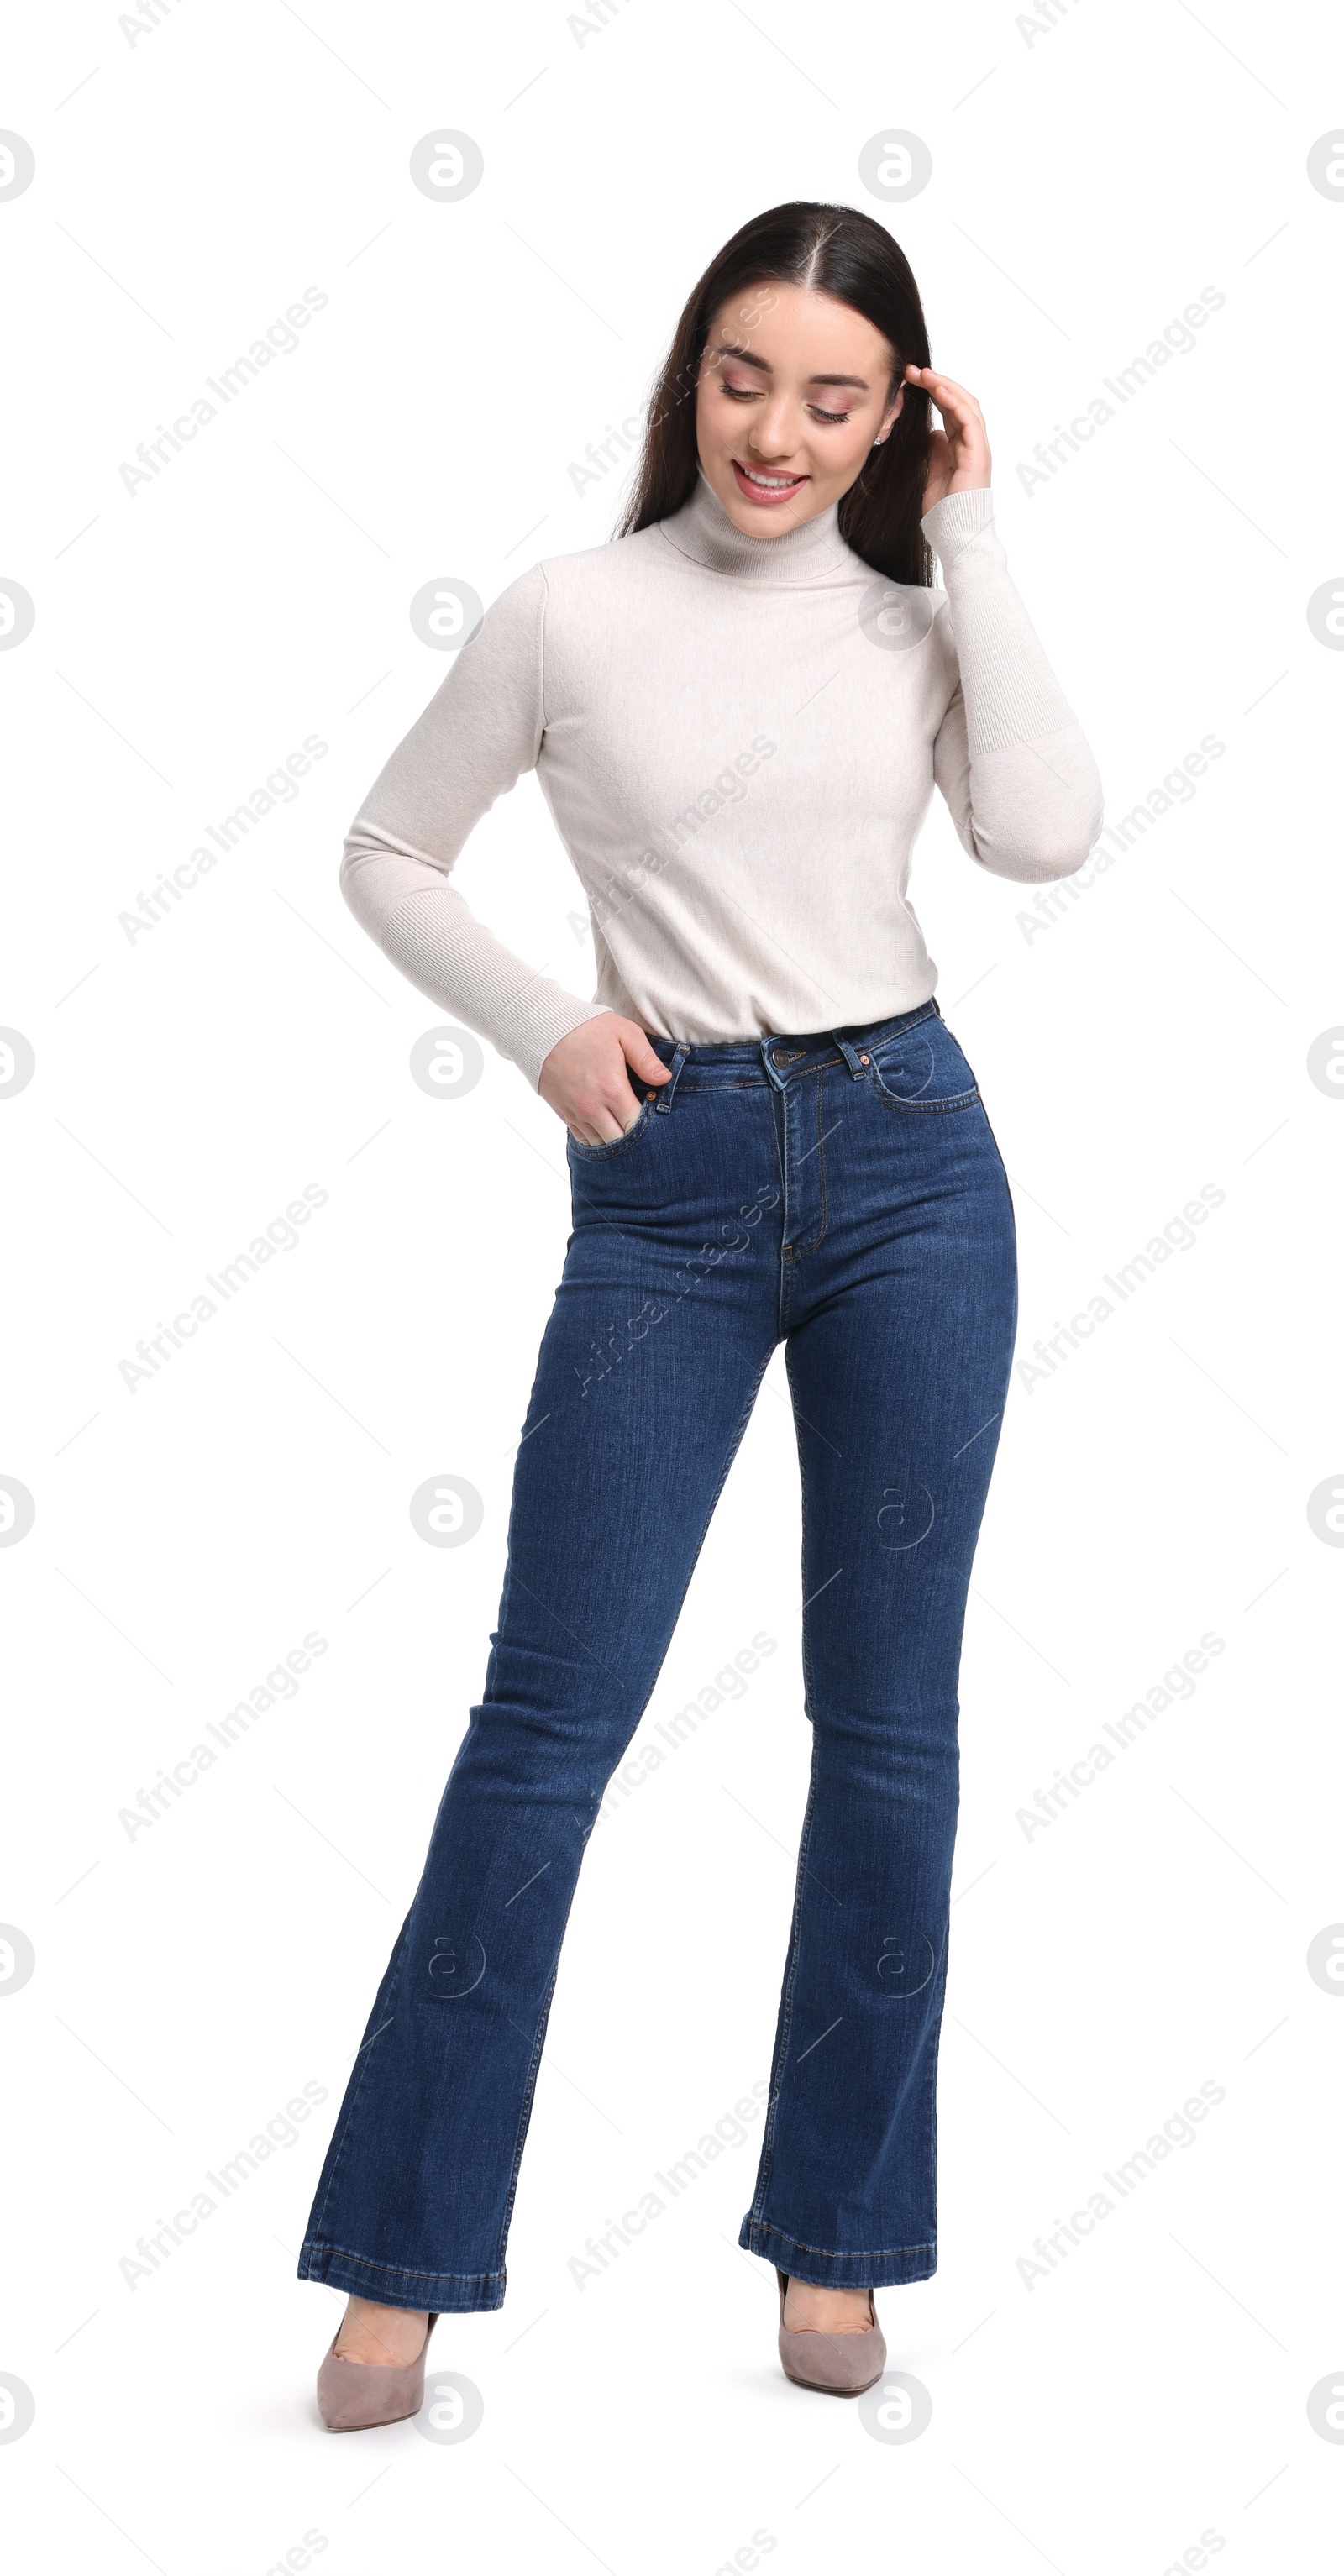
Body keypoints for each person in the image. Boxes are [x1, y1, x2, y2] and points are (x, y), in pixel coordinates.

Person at [300, 198, 1102, 2426]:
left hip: (915, 1160)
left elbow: (1042, 830)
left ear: (897, 415)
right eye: (745, 377)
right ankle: (397, 2264)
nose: (778, 429)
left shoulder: (920, 612)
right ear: (691, 373)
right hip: (661, 1180)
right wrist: (549, 1025)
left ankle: (840, 2247)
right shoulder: (573, 612)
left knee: (892, 1726)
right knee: (547, 1721)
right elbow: (387, 849)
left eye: (835, 396)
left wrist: (986, 534)